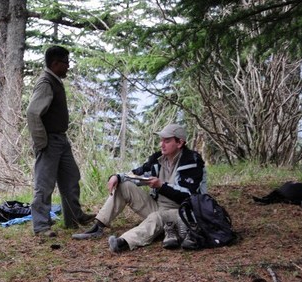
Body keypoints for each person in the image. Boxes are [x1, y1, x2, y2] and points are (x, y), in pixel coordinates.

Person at [72, 123, 207, 252]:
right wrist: (117, 177)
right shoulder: (158, 158)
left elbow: (189, 194)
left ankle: (123, 242)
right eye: (161, 140)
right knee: (124, 186)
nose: (162, 144)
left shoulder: (192, 161)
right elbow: (138, 173)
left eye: (167, 141)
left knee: (157, 217)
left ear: (180, 143)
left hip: (183, 212)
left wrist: (161, 186)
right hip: (158, 205)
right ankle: (98, 227)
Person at [26, 45, 94, 237]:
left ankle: (74, 217)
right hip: (50, 141)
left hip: (60, 140)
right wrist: (41, 142)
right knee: (44, 185)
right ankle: (41, 226)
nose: (68, 66)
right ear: (55, 63)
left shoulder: (54, 81)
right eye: (66, 63)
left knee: (71, 178)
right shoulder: (46, 83)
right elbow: (32, 112)